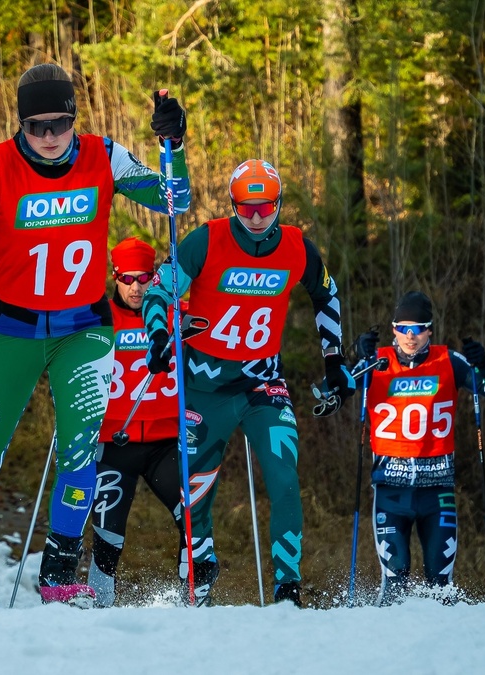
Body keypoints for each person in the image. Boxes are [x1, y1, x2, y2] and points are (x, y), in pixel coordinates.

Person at [0, 63, 191, 609]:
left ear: (75, 119)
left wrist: (174, 144)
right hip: (13, 330)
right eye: (36, 126)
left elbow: (176, 201)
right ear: (20, 125)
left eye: (59, 123)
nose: (49, 136)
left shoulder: (105, 156)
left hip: (84, 329)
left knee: (81, 452)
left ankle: (59, 574)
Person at [140, 159, 353, 608]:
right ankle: (199, 580)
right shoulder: (208, 239)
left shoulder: (297, 247)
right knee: (195, 490)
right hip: (205, 388)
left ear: (279, 203)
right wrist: (158, 335)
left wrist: (334, 358)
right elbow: (160, 289)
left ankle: (288, 588)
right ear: (233, 204)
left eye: (266, 207)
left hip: (263, 387)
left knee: (284, 479)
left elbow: (325, 292)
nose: (256, 217)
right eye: (246, 207)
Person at [353, 291, 485, 605]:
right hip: (390, 491)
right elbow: (333, 391)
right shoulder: (377, 362)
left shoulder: (450, 361)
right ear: (393, 329)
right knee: (395, 579)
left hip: (437, 492)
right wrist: (355, 358)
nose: (410, 337)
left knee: (440, 584)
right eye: (403, 328)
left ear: (430, 330)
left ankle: (443, 650)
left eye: (418, 328)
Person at [88, 237, 186, 607]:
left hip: (165, 444)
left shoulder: (177, 314)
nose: (135, 287)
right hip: (115, 446)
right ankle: (99, 605)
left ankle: (191, 599)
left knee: (193, 519)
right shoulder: (98, 318)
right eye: (126, 278)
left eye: (144, 278)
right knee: (107, 535)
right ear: (114, 276)